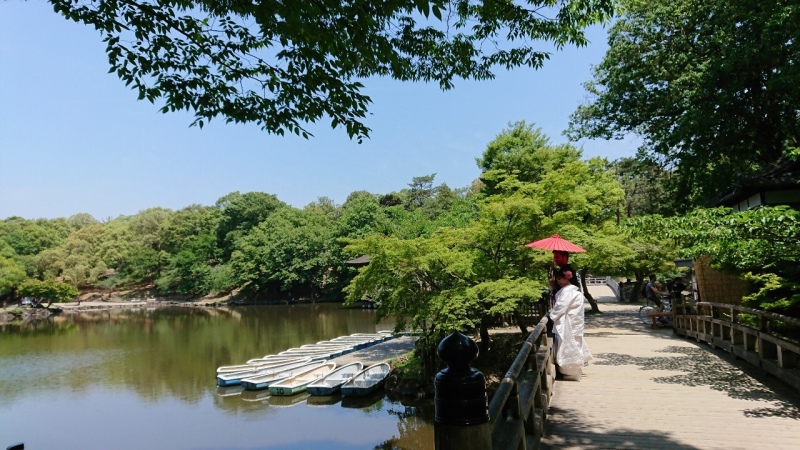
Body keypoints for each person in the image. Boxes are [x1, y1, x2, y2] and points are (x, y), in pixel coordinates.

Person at [548, 268, 592, 380]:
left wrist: (552, 316)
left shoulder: (567, 292)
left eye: (560, 278)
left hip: (568, 324)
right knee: (574, 345)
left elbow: (560, 307)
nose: (558, 281)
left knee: (568, 347)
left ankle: (570, 372)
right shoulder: (573, 291)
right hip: (575, 323)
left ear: (567, 278)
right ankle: (574, 371)